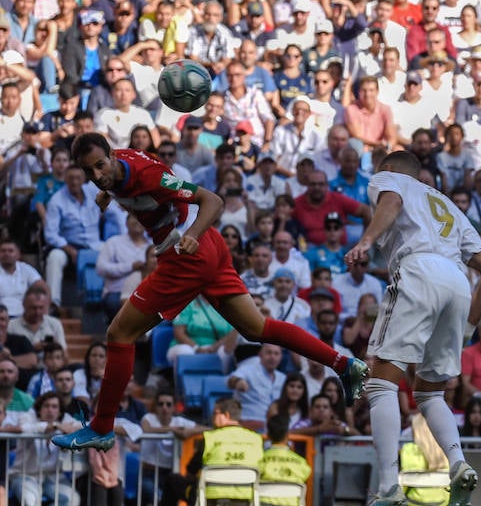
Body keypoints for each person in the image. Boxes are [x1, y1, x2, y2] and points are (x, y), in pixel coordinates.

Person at [52, 133, 370, 452]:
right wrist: (109, 191)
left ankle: (102, 427)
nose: (96, 176)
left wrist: (191, 235)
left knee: (119, 334)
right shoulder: (115, 164)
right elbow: (116, 180)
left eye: (99, 167)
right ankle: (344, 364)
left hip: (187, 253)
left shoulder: (148, 177)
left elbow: (212, 200)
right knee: (256, 327)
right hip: (210, 247)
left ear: (110, 154)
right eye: (88, 172)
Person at [346, 150, 481, 506]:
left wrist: (367, 241)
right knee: (430, 393)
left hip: (417, 270)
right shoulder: (447, 205)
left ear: (389, 171)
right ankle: (458, 463)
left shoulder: (390, 181)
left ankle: (387, 486)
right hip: (458, 283)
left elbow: (392, 202)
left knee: (380, 383)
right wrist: (467, 328)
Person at [257, 413, 312, 506]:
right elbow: (306, 475)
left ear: (268, 435)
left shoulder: (259, 460)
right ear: (288, 435)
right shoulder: (301, 463)